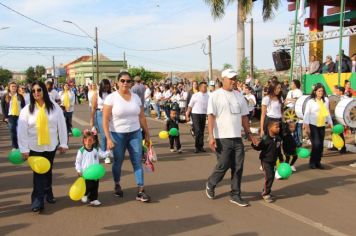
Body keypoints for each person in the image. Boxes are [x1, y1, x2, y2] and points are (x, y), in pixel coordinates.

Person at [205, 69, 257, 207]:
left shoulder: (239, 96)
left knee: (238, 166)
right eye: (230, 78)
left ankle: (235, 194)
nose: (233, 81)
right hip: (222, 137)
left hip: (237, 137)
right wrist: (211, 136)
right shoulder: (215, 95)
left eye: (235, 78)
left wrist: (250, 135)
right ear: (223, 79)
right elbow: (211, 116)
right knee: (223, 164)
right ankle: (211, 183)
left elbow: (244, 116)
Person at [18, 81, 68, 212]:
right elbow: (22, 131)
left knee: (48, 171)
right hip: (34, 146)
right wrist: (24, 149)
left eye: (39, 90)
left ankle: (48, 193)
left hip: (50, 145)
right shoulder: (27, 110)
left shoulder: (54, 108)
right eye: (33, 91)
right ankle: (37, 201)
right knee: (39, 173)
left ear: (44, 91)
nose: (36, 93)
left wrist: (63, 143)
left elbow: (62, 126)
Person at [103, 71, 152, 202]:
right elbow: (105, 120)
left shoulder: (135, 97)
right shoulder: (111, 98)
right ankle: (117, 184)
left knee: (137, 161)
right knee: (118, 162)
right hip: (117, 134)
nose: (125, 83)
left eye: (128, 81)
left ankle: (141, 190)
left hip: (135, 133)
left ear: (131, 83)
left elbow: (141, 116)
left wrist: (147, 134)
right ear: (118, 82)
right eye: (123, 81)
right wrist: (108, 138)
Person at [303, 83, 333, 169]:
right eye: (319, 91)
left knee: (320, 145)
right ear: (315, 91)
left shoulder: (326, 101)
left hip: (322, 125)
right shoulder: (311, 101)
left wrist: (331, 123)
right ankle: (312, 162)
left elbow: (327, 113)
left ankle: (318, 162)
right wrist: (306, 125)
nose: (321, 92)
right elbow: (307, 114)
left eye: (322, 91)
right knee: (316, 144)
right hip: (313, 125)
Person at [252, 121, 282, 203]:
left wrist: (281, 159)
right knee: (269, 176)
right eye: (276, 127)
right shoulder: (265, 139)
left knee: (271, 177)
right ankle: (265, 194)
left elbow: (279, 150)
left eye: (279, 127)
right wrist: (254, 144)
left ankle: (266, 190)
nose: (278, 129)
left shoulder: (278, 139)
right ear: (270, 128)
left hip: (273, 161)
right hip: (265, 161)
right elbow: (259, 148)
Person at [75, 129, 102, 206]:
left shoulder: (95, 150)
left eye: (91, 140)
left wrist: (108, 153)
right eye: (87, 140)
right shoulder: (81, 151)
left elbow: (102, 154)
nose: (89, 141)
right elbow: (78, 162)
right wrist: (79, 170)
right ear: (84, 140)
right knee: (87, 186)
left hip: (95, 173)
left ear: (93, 141)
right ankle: (84, 194)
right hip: (85, 173)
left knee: (95, 186)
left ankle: (94, 199)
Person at [90, 79, 112, 164]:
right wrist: (92, 120)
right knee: (104, 135)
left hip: (110, 115)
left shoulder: (111, 94)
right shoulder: (96, 94)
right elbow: (93, 108)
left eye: (108, 87)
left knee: (111, 134)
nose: (106, 88)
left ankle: (109, 151)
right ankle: (105, 155)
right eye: (105, 87)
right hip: (100, 114)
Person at [185, 81, 209, 153]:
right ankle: (196, 147)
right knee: (198, 130)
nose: (205, 88)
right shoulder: (195, 95)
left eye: (206, 87)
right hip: (195, 114)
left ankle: (201, 146)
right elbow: (190, 106)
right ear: (200, 87)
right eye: (204, 87)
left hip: (203, 114)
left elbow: (209, 106)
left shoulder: (208, 96)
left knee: (202, 131)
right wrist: (187, 115)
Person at [1, 81, 25, 149]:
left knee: (20, 131)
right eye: (12, 86)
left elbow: (23, 106)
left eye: (15, 86)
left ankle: (21, 145)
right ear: (9, 87)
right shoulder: (5, 96)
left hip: (20, 116)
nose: (14, 88)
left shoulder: (20, 96)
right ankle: (15, 146)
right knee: (13, 130)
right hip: (10, 116)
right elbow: (3, 107)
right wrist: (5, 117)